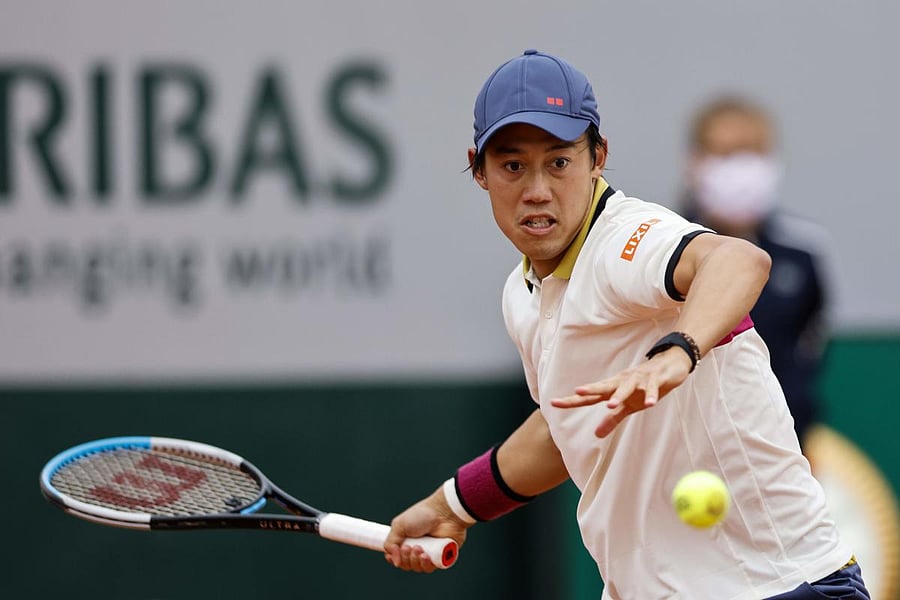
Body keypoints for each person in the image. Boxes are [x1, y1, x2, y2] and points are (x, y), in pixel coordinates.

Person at [383, 50, 868, 599]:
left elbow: (738, 260)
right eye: (513, 165)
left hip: (774, 587)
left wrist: (677, 352)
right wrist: (451, 504)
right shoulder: (521, 296)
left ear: (598, 158)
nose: (537, 189)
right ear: (480, 170)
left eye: (560, 162)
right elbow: (563, 425)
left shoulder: (626, 239)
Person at [680, 96, 832, 452]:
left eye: (751, 153)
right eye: (725, 153)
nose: (740, 169)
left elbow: (809, 354)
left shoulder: (804, 252)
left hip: (783, 451)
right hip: (686, 451)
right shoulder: (661, 249)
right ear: (695, 163)